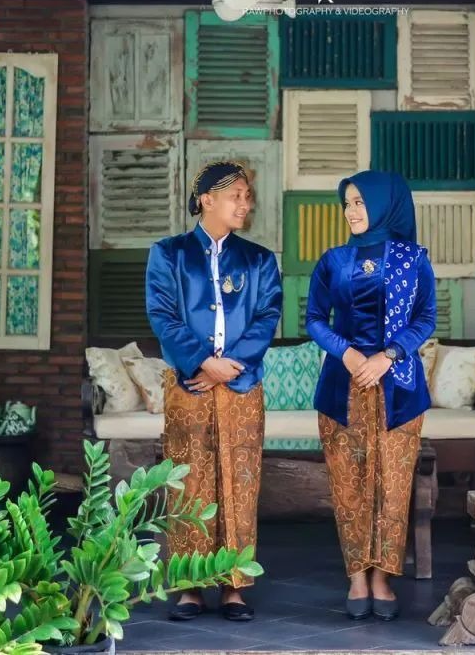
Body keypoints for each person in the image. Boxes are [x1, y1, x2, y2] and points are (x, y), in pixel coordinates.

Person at [145, 160, 282, 623]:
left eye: (247, 196)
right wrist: (203, 362)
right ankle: (189, 587)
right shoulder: (169, 254)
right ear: (206, 199)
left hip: (242, 386)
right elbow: (163, 315)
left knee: (240, 483)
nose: (245, 204)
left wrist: (227, 368)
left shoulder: (259, 260)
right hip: (188, 386)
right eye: (235, 196)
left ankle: (234, 586)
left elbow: (267, 316)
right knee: (190, 482)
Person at [305, 170, 437, 622]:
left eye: (360, 202)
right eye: (347, 203)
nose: (351, 211)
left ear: (384, 204)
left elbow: (426, 318)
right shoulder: (334, 260)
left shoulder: (413, 259)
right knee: (349, 487)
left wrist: (388, 355)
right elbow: (315, 318)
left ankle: (383, 577)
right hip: (342, 388)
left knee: (392, 488)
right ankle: (357, 576)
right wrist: (346, 353)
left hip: (398, 388)